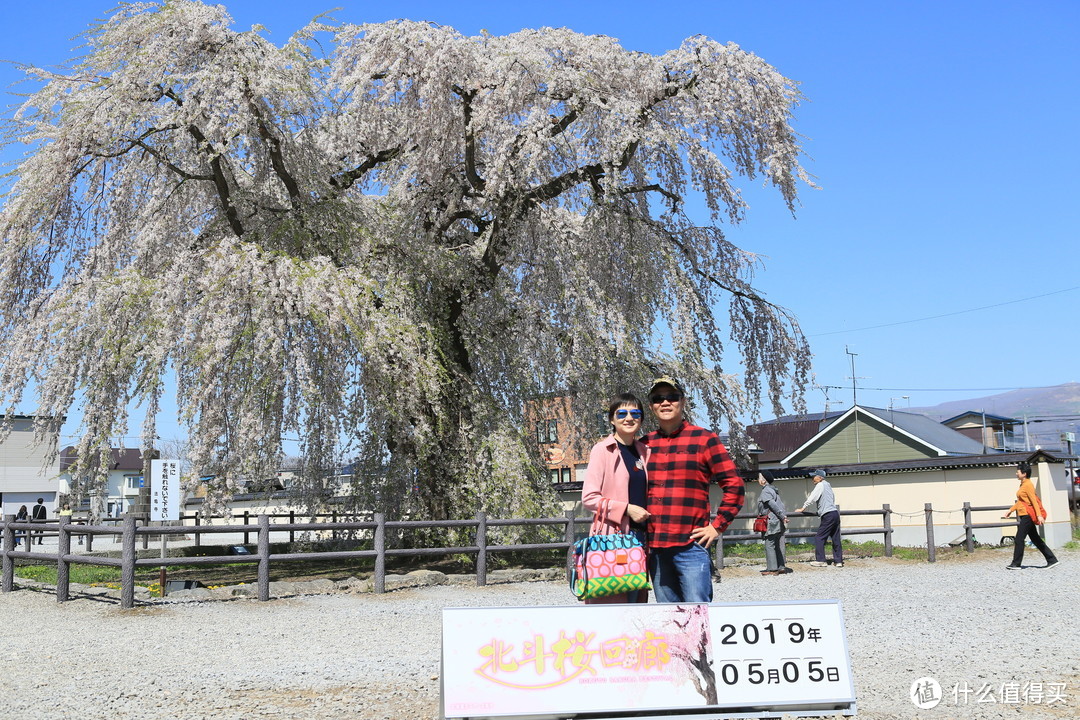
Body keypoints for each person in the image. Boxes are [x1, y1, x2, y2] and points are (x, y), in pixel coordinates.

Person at [644, 376, 744, 603]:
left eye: (672, 397)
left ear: (683, 402)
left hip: (691, 544)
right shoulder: (644, 444)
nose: (665, 403)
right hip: (656, 547)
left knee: (698, 613)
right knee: (668, 616)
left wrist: (717, 527)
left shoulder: (705, 439)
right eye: (658, 398)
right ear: (651, 406)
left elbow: (734, 485)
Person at [581, 392, 652, 603]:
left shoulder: (644, 451)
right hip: (614, 536)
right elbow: (589, 498)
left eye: (635, 413)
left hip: (641, 538)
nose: (628, 418)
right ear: (612, 419)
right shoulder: (602, 450)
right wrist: (627, 509)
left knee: (637, 603)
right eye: (622, 413)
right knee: (614, 602)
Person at [1002, 462, 1059, 570]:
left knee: (1019, 538)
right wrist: (1010, 510)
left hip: (1028, 515)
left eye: (1018, 471)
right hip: (1024, 515)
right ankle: (1052, 560)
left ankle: (1016, 563)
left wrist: (1039, 516)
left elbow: (1034, 502)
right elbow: (1020, 502)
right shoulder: (1023, 484)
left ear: (1024, 473)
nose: (1016, 473)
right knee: (1036, 539)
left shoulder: (1028, 485)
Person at [796, 469, 843, 567]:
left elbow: (813, 497)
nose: (812, 478)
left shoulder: (820, 485)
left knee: (819, 537)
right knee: (836, 538)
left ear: (820, 477)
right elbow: (831, 499)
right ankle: (838, 561)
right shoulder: (828, 485)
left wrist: (803, 508)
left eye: (814, 476)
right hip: (834, 513)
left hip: (828, 515)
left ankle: (821, 560)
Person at [756, 470, 791, 575]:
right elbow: (780, 505)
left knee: (769, 544)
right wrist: (782, 517)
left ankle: (772, 569)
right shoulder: (773, 490)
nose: (758, 480)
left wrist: (781, 515)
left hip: (771, 520)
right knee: (775, 544)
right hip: (777, 520)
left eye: (759, 478)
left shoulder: (766, 491)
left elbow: (772, 504)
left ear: (763, 480)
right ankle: (780, 567)